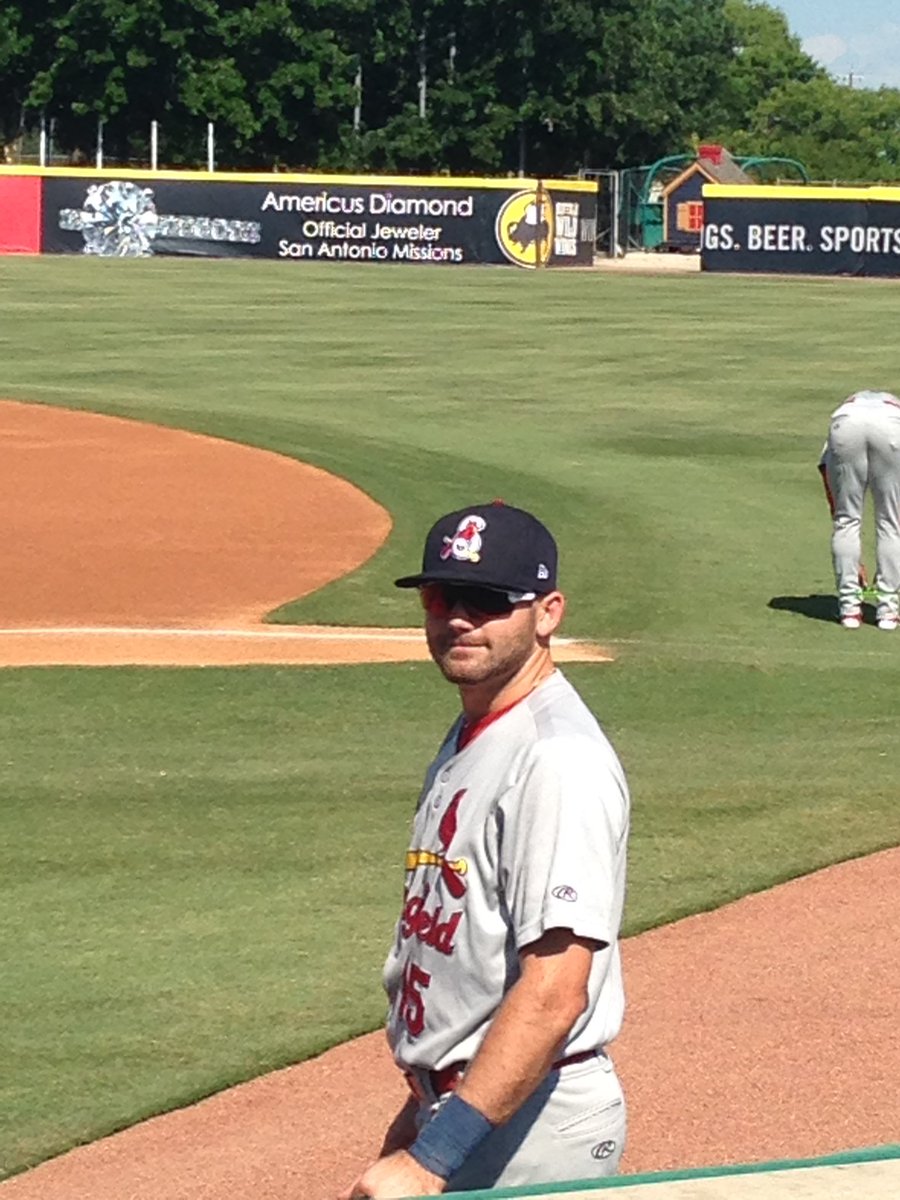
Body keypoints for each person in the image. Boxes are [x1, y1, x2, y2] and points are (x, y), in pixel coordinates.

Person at [343, 501, 630, 1199]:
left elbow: (556, 991)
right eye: (443, 597)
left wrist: (430, 1160)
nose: (460, 619)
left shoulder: (556, 760)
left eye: (489, 600)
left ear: (548, 613)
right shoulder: (480, 727)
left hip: (532, 1125)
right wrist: (420, 1115)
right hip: (480, 1106)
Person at [818, 390, 900, 630]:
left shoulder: (849, 408)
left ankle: (849, 611)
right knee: (891, 523)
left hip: (845, 425)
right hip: (891, 427)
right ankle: (888, 612)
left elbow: (827, 478)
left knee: (846, 521)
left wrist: (855, 564)